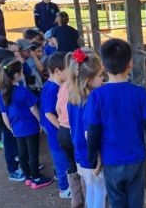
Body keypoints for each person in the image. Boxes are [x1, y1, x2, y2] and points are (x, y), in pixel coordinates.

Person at [85, 39, 146, 208]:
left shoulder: (96, 96)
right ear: (130, 64)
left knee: (116, 200)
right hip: (135, 158)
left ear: (103, 67)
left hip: (111, 159)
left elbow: (93, 131)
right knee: (136, 200)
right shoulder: (140, 94)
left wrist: (92, 160)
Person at [0, 57, 53, 189]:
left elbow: (4, 114)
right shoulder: (23, 91)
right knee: (33, 153)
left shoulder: (2, 93)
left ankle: (27, 176)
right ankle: (37, 178)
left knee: (22, 153)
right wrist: (40, 122)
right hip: (30, 126)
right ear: (17, 75)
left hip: (16, 128)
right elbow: (33, 108)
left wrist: (10, 128)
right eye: (22, 71)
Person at [67, 48, 107, 208]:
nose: (103, 78)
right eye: (100, 75)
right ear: (89, 80)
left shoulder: (73, 98)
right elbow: (88, 133)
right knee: (100, 192)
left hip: (80, 154)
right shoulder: (92, 101)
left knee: (90, 190)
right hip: (91, 156)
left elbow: (72, 127)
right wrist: (97, 158)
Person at [0, 48, 24, 181]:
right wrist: (6, 124)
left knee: (17, 144)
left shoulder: (4, 79)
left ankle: (24, 164)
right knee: (10, 146)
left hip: (12, 120)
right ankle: (13, 170)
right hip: (5, 122)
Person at [40, 52, 71, 198]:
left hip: (57, 132)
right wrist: (63, 128)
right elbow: (48, 113)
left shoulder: (55, 85)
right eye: (69, 69)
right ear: (58, 71)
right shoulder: (52, 89)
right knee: (61, 161)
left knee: (63, 160)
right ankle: (64, 189)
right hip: (56, 134)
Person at [56, 52, 85, 207]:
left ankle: (76, 200)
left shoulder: (64, 85)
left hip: (63, 131)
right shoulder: (82, 87)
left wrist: (63, 123)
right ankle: (88, 198)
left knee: (71, 166)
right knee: (83, 165)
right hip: (76, 132)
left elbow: (57, 109)